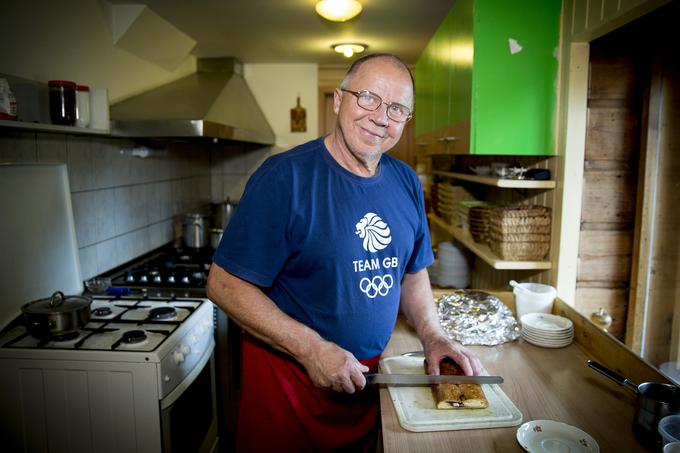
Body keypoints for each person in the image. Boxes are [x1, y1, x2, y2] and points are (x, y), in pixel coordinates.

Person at [207, 53, 485, 452]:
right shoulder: (283, 178)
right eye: (368, 97)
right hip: (289, 394)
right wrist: (312, 348)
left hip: (364, 389)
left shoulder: (406, 182)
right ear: (338, 100)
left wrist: (433, 336)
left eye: (397, 108)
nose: (380, 117)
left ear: (407, 121)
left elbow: (412, 272)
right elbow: (223, 284)